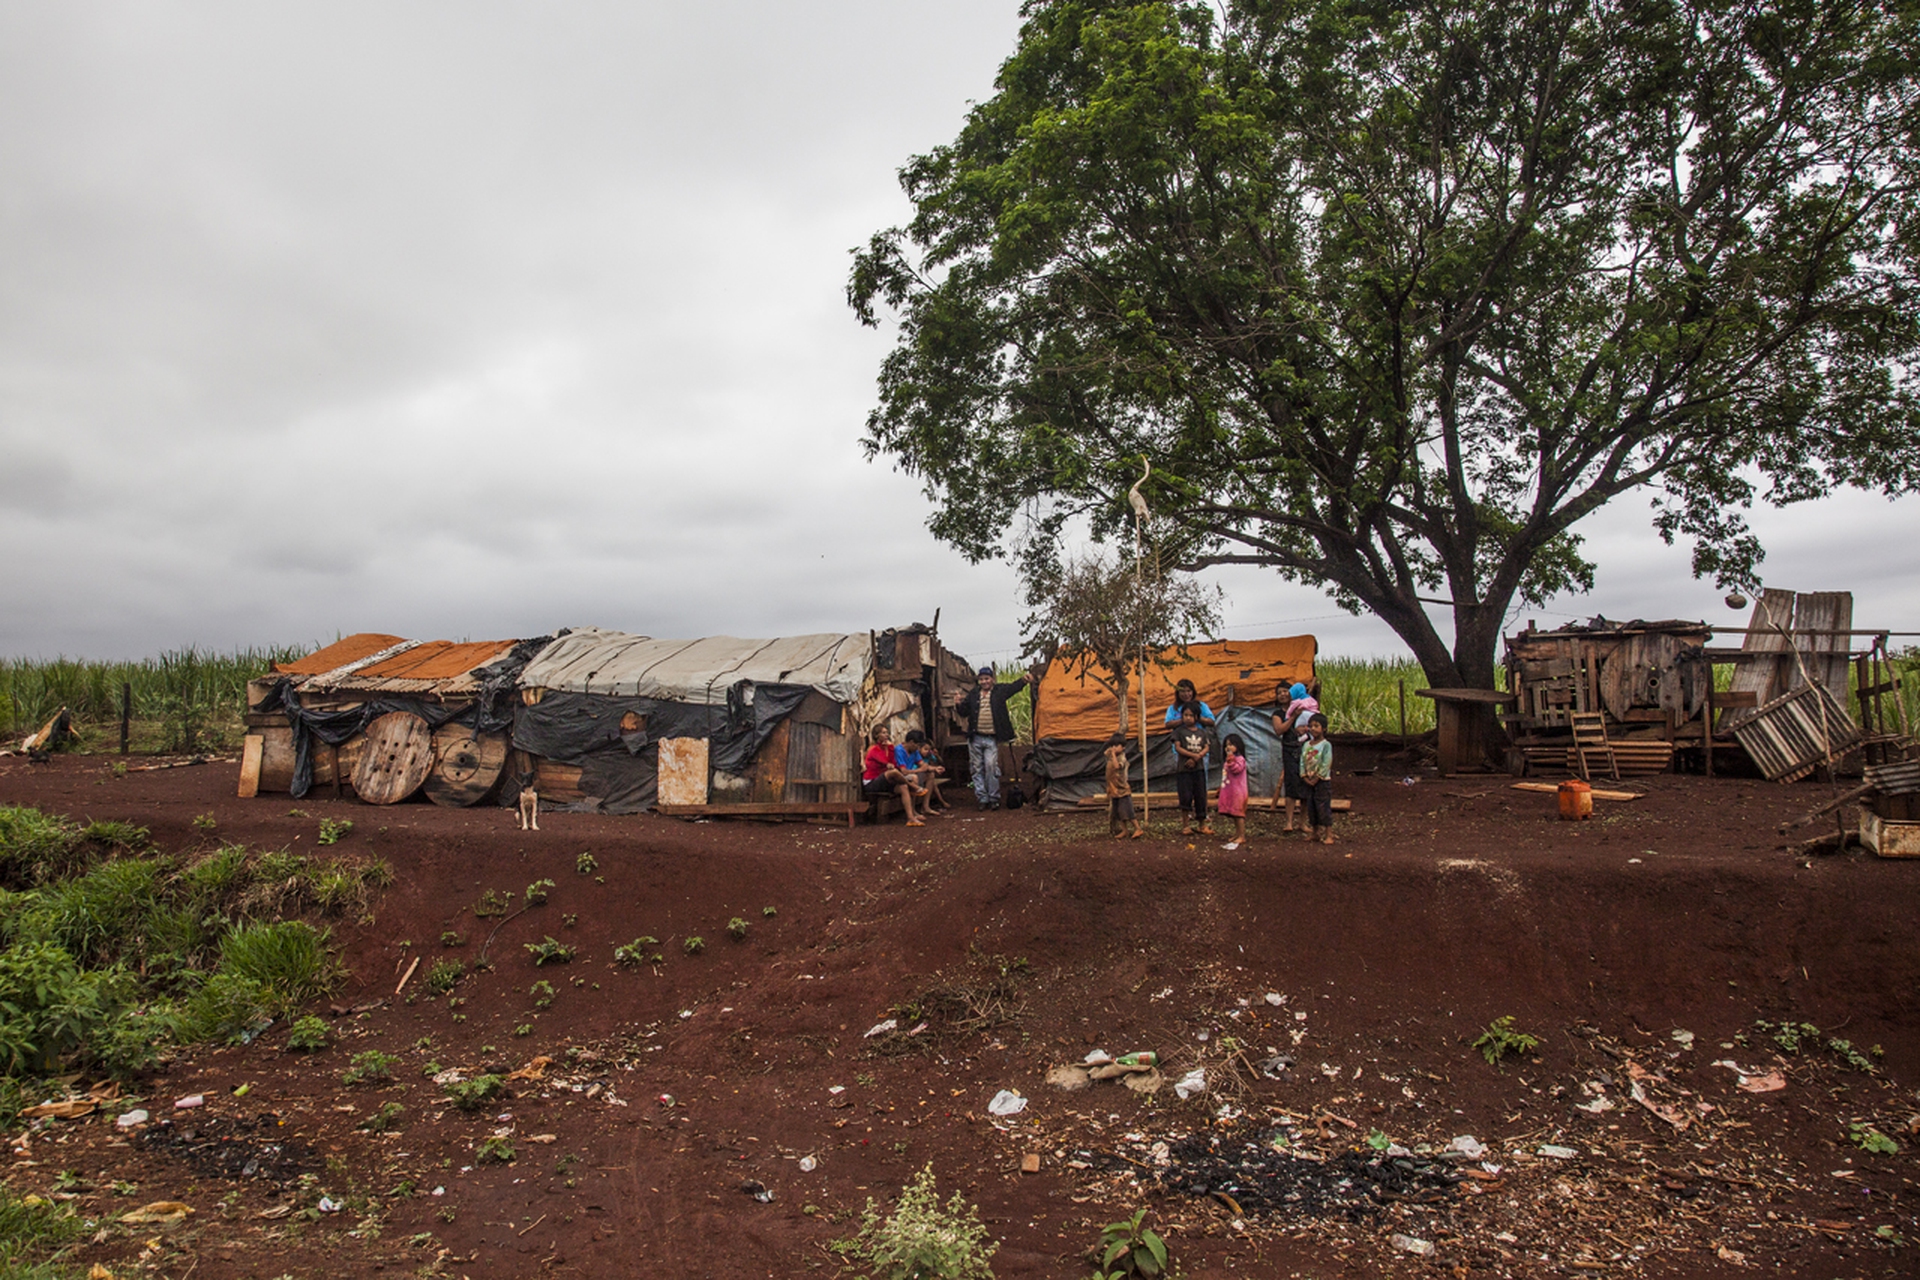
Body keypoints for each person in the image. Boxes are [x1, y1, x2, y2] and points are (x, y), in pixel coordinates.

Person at [953, 666, 1034, 810]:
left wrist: (1023, 680)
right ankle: (982, 799)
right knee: (977, 769)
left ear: (992, 679)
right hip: (975, 738)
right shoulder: (973, 694)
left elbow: (1013, 688)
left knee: (991, 767)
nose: (984, 682)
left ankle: (994, 798)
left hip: (991, 738)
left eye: (986, 678)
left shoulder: (999, 692)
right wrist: (958, 704)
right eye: (981, 679)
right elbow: (964, 712)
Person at [1269, 680, 1319, 833]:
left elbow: (1315, 725)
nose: (1283, 694)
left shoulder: (1304, 706)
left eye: (1285, 691)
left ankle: (1302, 823)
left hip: (1306, 750)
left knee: (1306, 784)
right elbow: (1279, 730)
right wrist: (1292, 717)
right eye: (1279, 692)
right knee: (1291, 786)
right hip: (1290, 750)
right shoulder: (1278, 714)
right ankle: (1289, 822)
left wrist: (1306, 728)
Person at [863, 725, 923, 827]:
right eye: (883, 733)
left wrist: (890, 748)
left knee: (903, 786)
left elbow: (893, 763)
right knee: (894, 772)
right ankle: (914, 787)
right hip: (872, 782)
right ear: (877, 735)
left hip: (885, 780)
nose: (886, 735)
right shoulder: (873, 749)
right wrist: (889, 753)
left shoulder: (888, 748)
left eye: (887, 732)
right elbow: (884, 761)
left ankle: (911, 817)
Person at [1172, 703, 1215, 835]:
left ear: (1197, 717)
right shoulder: (1178, 732)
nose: (1188, 718)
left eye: (1191, 715)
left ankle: (1202, 824)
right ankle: (1186, 825)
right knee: (1185, 796)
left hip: (1199, 769)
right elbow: (1178, 748)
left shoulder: (1202, 732)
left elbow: (1207, 747)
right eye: (1185, 715)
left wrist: (1198, 757)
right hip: (1184, 769)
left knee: (1201, 796)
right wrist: (1192, 756)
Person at [895, 729, 949, 814]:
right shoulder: (899, 750)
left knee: (930, 774)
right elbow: (903, 771)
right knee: (914, 777)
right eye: (917, 745)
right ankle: (912, 811)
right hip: (900, 778)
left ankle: (925, 807)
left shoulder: (914, 751)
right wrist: (919, 770)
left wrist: (935, 768)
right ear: (912, 742)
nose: (917, 748)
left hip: (911, 774)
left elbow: (923, 764)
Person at [1300, 712, 1334, 844]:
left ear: (1324, 728)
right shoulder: (1307, 745)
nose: (1313, 728)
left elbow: (1326, 763)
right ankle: (1315, 832)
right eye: (1311, 726)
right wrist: (1304, 776)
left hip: (1322, 781)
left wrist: (1318, 777)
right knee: (1311, 806)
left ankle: (1329, 834)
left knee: (1323, 806)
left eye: (1316, 726)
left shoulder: (1326, 745)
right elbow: (1302, 761)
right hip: (1308, 779)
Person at [1103, 734, 1144, 840]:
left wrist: (1113, 753)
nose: (1115, 748)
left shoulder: (1122, 758)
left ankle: (1137, 828)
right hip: (1114, 788)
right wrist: (1111, 750)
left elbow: (1117, 767)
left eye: (1117, 746)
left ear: (1123, 747)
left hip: (1122, 789)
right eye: (1113, 745)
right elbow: (1105, 753)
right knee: (1118, 812)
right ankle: (1124, 830)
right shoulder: (1111, 756)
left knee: (1128, 811)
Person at [1217, 732, 1249, 849]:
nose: (1228, 747)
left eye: (1231, 744)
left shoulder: (1240, 759)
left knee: (1239, 813)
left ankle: (1242, 835)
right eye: (1226, 745)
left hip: (1238, 792)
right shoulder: (1228, 760)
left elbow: (1236, 770)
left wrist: (1231, 762)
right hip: (1229, 790)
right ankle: (1237, 834)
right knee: (1234, 814)